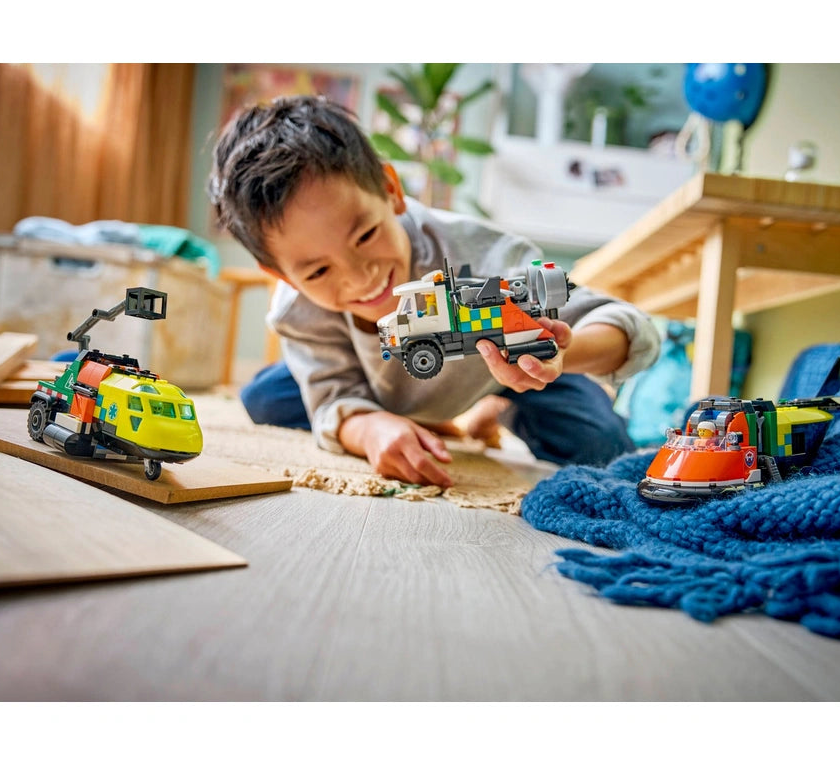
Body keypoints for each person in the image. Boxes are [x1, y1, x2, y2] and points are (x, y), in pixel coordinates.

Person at [207, 95, 660, 488]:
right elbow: (331, 398)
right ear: (283, 275)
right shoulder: (297, 309)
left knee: (604, 446)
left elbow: (633, 330)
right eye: (319, 270)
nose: (360, 277)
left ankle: (493, 408)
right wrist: (369, 429)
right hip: (371, 383)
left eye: (365, 235)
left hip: (506, 376)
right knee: (264, 398)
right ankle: (428, 419)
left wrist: (558, 353)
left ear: (390, 191)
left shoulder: (483, 258)